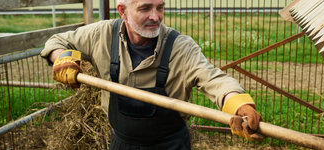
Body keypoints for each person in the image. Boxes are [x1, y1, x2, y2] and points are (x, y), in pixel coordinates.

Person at [41, 0, 264, 149]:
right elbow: (58, 40)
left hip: (170, 144)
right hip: (122, 142)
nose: (156, 17)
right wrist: (63, 57)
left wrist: (239, 105)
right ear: (122, 11)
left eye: (160, 7)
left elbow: (213, 78)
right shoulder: (102, 34)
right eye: (145, 8)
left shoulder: (180, 47)